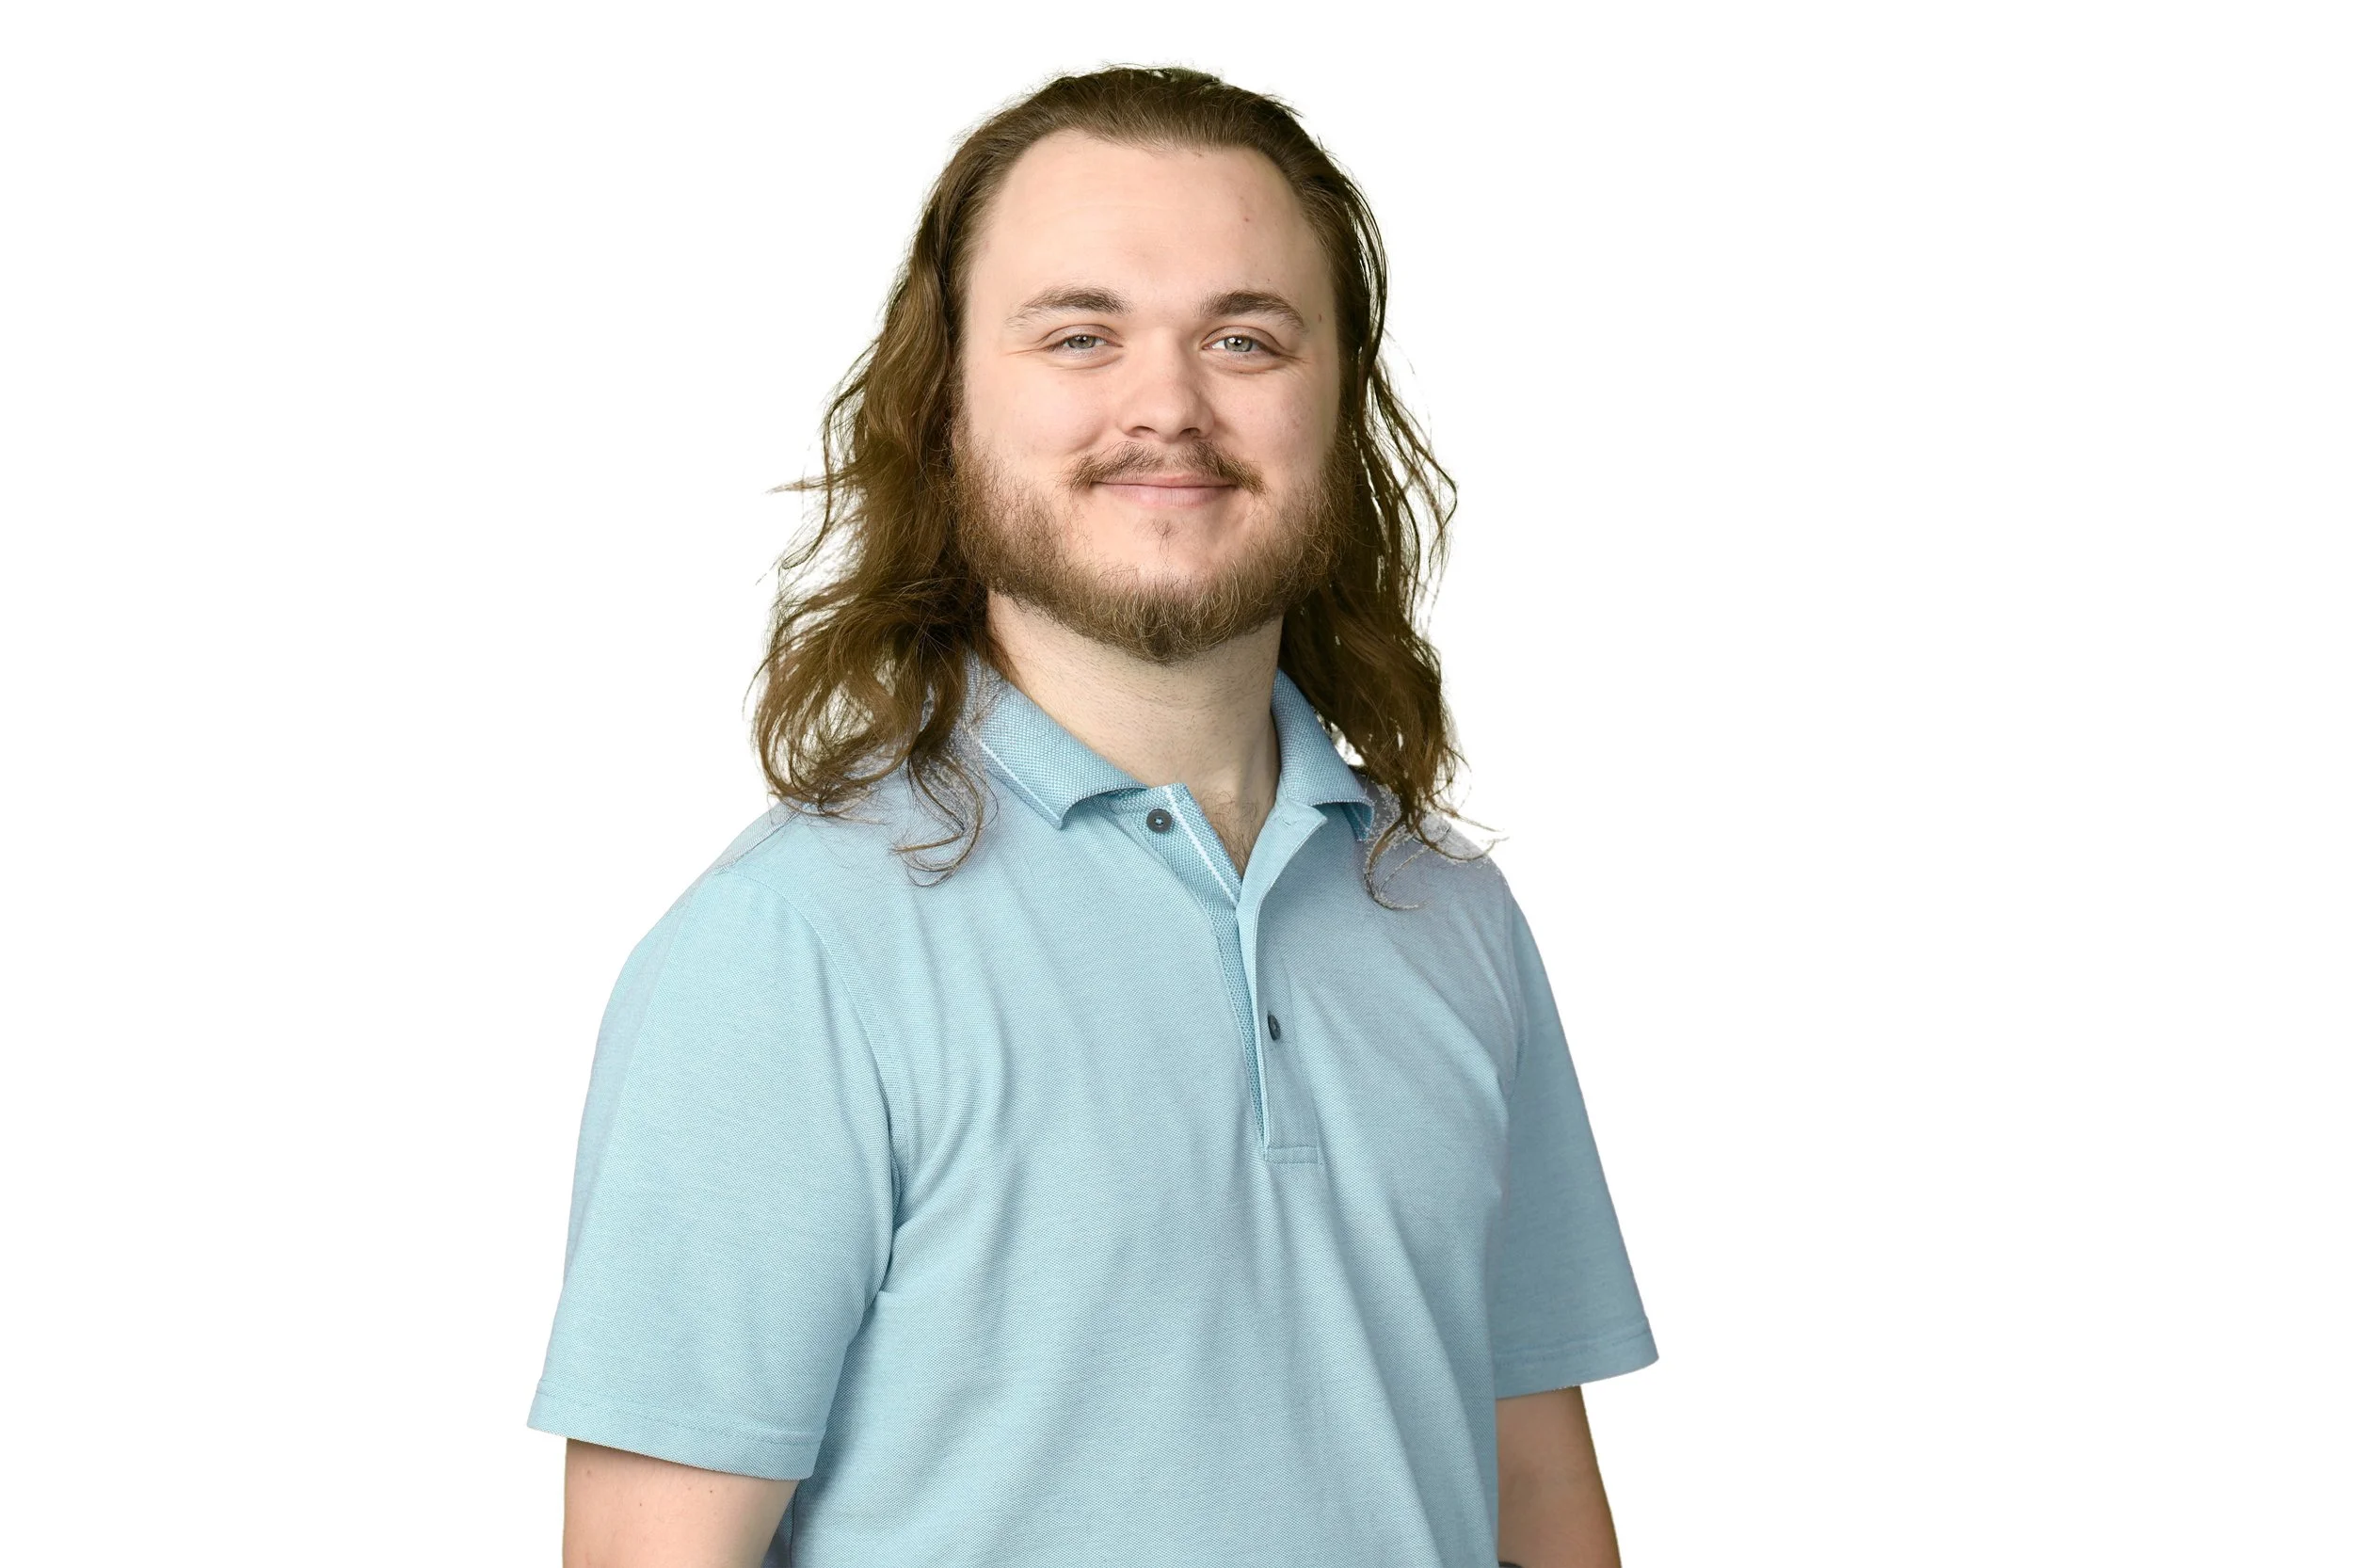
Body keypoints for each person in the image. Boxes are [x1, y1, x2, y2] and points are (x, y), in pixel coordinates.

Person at [527, 64, 1657, 1568]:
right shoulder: (790, 949)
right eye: (1080, 335)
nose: (1168, 408)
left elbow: (1539, 1499)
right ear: (943, 410)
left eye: (1245, 337)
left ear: (1344, 403)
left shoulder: (1453, 920)